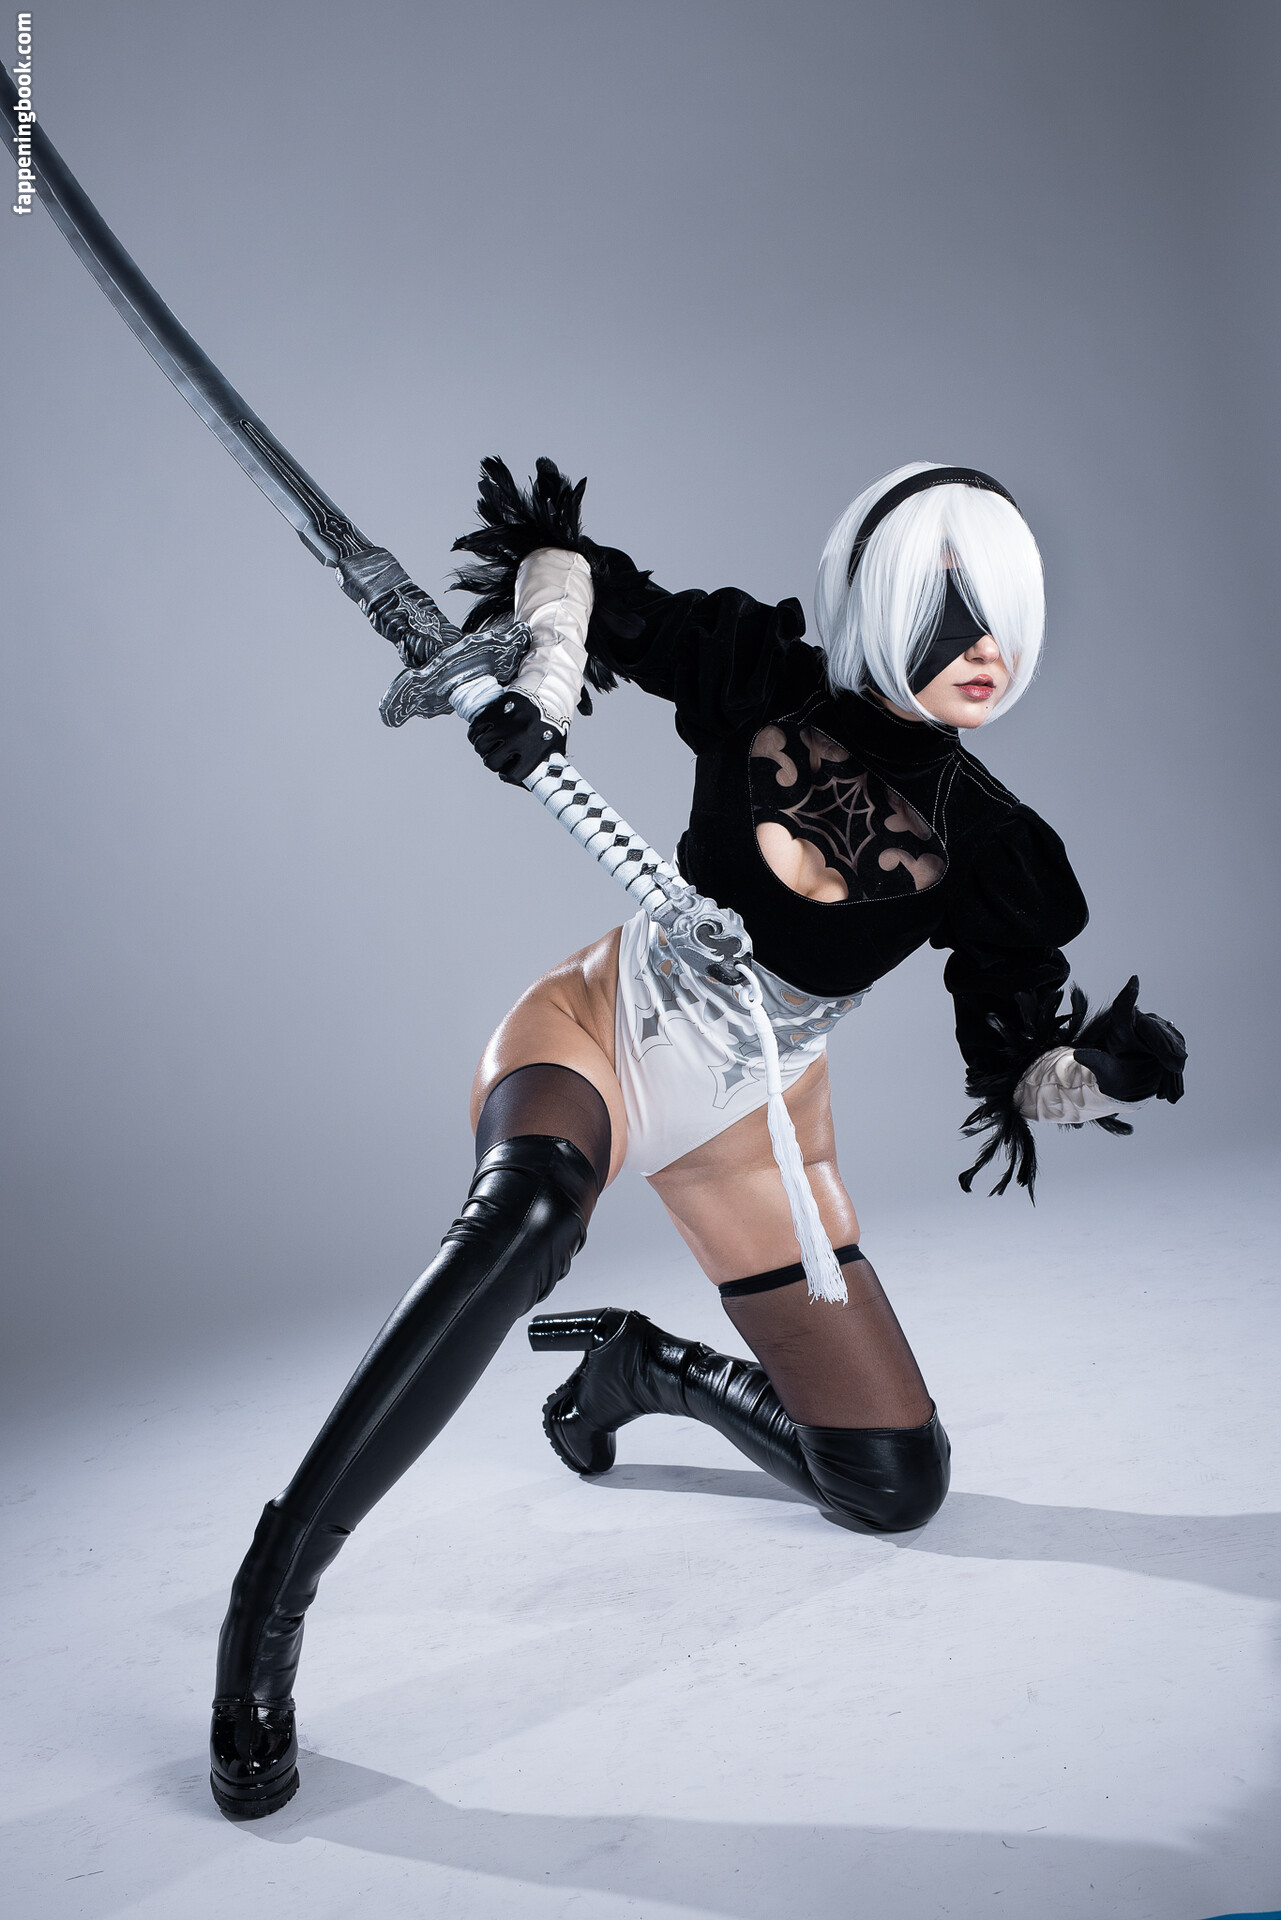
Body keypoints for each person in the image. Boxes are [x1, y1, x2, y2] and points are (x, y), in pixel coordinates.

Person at [208, 457, 1186, 1820]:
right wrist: (544, 688)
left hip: (756, 1123)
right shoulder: (756, 671)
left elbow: (1013, 1070)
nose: (987, 651)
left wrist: (1092, 1069)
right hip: (605, 1028)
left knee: (892, 1484)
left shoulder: (997, 847)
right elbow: (571, 572)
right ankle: (268, 1604)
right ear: (878, 600)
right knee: (522, 1221)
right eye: (953, 615)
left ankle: (644, 1368)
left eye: (1005, 622)